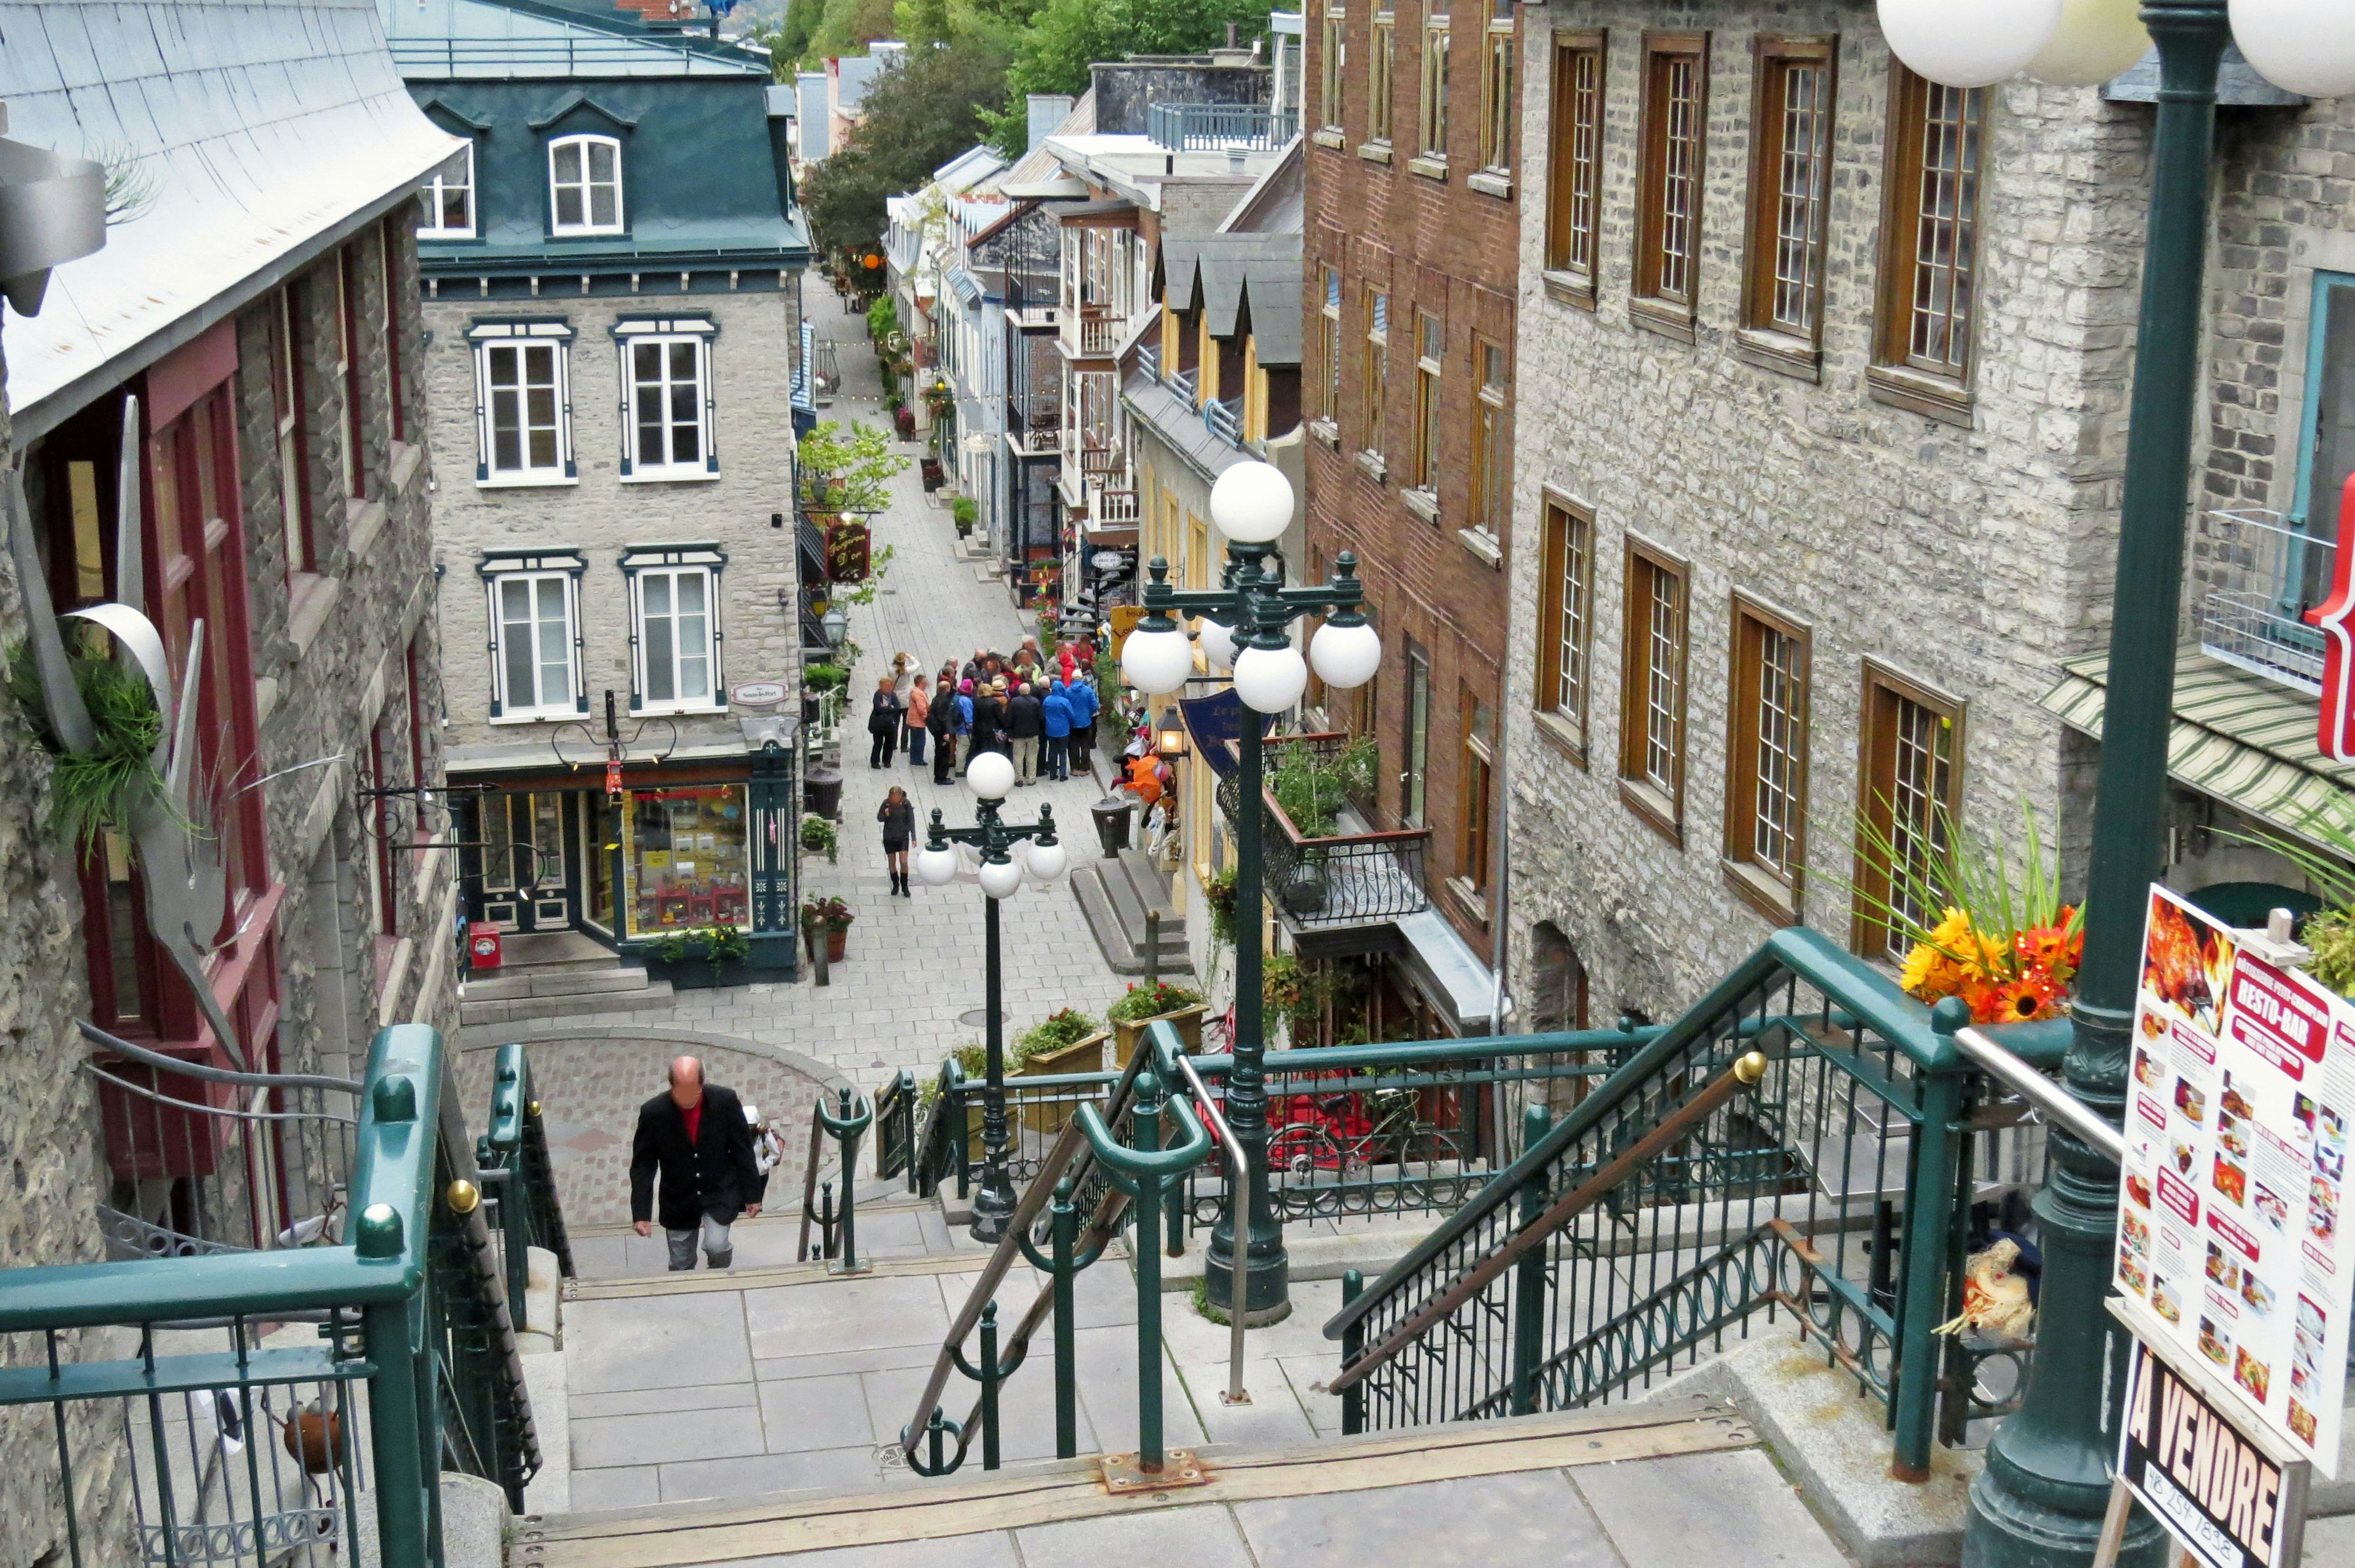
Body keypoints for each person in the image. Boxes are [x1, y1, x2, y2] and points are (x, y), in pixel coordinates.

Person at [630, 1057, 762, 1271]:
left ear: (702, 1083)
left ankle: (717, 1278)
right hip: (679, 1198)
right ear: (671, 1086)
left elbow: (742, 1150)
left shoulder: (725, 1101)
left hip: (719, 1191)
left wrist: (752, 1195)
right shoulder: (654, 1113)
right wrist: (641, 1214)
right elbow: (643, 1166)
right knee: (681, 1263)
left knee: (717, 1246)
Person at [879, 784, 916, 895]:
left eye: (896, 796)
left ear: (900, 796)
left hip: (903, 836)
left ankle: (905, 886)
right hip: (889, 837)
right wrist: (886, 815)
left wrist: (914, 837)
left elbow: (911, 820)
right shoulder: (886, 804)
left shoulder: (906, 804)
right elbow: (879, 818)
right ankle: (895, 885)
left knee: (904, 861)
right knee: (892, 862)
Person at [1005, 679, 1044, 784]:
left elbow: (1009, 719)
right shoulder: (1036, 702)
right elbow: (1041, 718)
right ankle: (1031, 778)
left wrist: (1009, 733)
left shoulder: (1014, 702)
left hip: (1018, 734)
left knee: (1018, 757)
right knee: (1032, 756)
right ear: (1029, 691)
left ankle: (1019, 779)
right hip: (1033, 733)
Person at [929, 666, 960, 784]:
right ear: (946, 689)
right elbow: (944, 718)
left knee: (939, 753)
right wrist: (946, 732)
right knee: (943, 754)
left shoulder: (936, 699)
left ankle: (939, 775)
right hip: (942, 732)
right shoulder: (944, 701)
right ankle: (942, 776)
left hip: (937, 731)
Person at [1065, 673, 1098, 778]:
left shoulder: (1068, 691)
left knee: (1073, 746)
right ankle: (1085, 768)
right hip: (1085, 722)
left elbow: (1066, 705)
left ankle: (1075, 768)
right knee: (1085, 746)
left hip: (1072, 723)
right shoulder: (1088, 690)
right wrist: (1088, 713)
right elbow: (1095, 705)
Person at [1042, 678, 1074, 782]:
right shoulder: (1065, 701)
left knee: (1052, 751)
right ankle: (1063, 774)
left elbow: (1043, 712)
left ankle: (1052, 773)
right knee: (1063, 752)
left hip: (1050, 729)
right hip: (1063, 729)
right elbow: (1071, 715)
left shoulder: (1047, 700)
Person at [866, 677, 902, 769]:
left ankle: (887, 761)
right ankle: (875, 762)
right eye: (886, 686)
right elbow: (879, 708)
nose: (888, 688)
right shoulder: (878, 695)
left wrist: (887, 708)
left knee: (889, 743)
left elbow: (898, 707)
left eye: (890, 686)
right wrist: (891, 708)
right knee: (878, 743)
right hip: (879, 724)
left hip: (890, 724)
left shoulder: (893, 695)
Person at [969, 678, 1005, 765]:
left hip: (980, 730)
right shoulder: (995, 703)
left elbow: (975, 717)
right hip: (992, 730)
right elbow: (1000, 718)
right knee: (993, 750)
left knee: (982, 750)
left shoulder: (977, 702)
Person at [904, 674, 930, 769]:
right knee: (920, 741)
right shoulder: (918, 693)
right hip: (918, 722)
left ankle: (914, 758)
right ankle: (918, 759)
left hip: (913, 720)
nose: (927, 683)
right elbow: (921, 708)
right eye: (925, 681)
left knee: (914, 740)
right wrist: (926, 718)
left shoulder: (916, 691)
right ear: (921, 683)